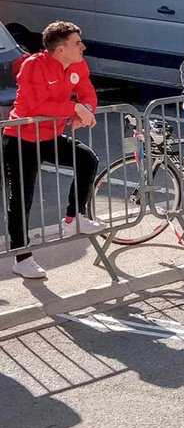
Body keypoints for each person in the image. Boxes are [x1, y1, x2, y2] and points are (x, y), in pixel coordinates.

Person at [2, 21, 105, 279]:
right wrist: (74, 108)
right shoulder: (33, 65)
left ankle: (73, 218)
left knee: (87, 159)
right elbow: (34, 107)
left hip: (50, 136)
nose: (83, 46)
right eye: (77, 43)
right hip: (21, 138)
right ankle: (22, 258)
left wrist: (86, 110)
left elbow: (88, 93)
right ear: (60, 49)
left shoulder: (78, 64)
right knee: (21, 199)